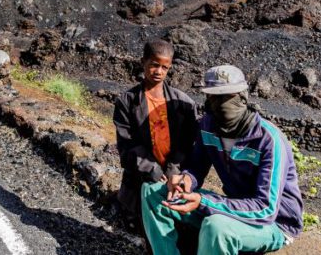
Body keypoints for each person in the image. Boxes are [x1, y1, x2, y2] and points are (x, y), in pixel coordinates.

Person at [141, 65, 303, 255]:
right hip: (234, 206)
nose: (219, 103)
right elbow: (196, 167)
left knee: (217, 226)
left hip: (274, 223)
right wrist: (185, 180)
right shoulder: (208, 126)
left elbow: (265, 208)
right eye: (213, 96)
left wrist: (203, 202)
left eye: (226, 96)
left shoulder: (268, 141)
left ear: (243, 97)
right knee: (152, 192)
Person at [113, 39, 198, 225]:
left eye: (164, 67)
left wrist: (173, 170)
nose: (159, 72)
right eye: (154, 65)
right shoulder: (127, 102)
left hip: (175, 178)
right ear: (143, 62)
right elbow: (127, 144)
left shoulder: (183, 104)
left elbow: (188, 143)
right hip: (140, 178)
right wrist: (152, 169)